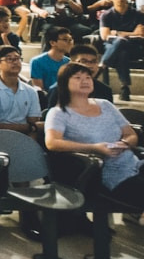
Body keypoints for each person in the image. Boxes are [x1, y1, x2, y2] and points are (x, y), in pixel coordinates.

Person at [44, 62, 143, 207]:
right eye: (78, 77)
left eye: (88, 77)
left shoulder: (105, 105)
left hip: (134, 163)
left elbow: (130, 134)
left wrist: (125, 143)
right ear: (64, 83)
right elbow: (52, 143)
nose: (85, 81)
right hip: (104, 172)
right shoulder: (59, 113)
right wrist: (94, 148)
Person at [0, 44, 42, 140]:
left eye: (17, 58)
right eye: (9, 59)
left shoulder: (31, 91)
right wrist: (29, 127)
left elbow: (34, 123)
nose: (15, 62)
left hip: (25, 138)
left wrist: (30, 144)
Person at [97, 0, 144, 101]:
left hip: (134, 47)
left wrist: (117, 33)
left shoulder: (138, 15)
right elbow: (105, 36)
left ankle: (102, 65)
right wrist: (131, 33)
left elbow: (141, 34)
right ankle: (125, 87)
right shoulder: (106, 15)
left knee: (121, 42)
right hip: (112, 46)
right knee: (122, 50)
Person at [29, 26, 73, 91]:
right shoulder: (37, 61)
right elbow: (39, 89)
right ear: (52, 42)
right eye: (65, 40)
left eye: (70, 40)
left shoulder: (69, 62)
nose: (70, 43)